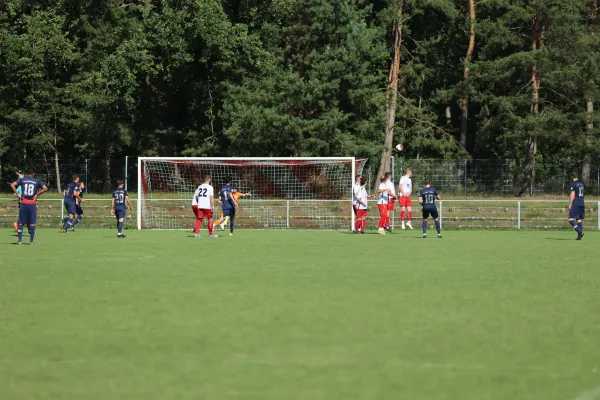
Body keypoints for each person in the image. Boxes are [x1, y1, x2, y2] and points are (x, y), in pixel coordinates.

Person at [10, 168, 48, 245]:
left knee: (21, 222)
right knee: (32, 222)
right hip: (32, 203)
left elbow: (12, 185)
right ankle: (31, 241)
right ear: (33, 173)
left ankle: (20, 241)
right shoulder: (36, 181)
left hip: (24, 202)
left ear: (27, 173)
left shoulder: (23, 180)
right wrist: (37, 194)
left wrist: (17, 193)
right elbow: (45, 188)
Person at [568, 172, 585, 240]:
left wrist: (570, 204)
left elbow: (572, 195)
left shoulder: (573, 184)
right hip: (582, 202)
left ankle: (579, 231)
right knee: (578, 219)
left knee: (570, 219)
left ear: (572, 177)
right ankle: (579, 236)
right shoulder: (581, 184)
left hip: (576, 203)